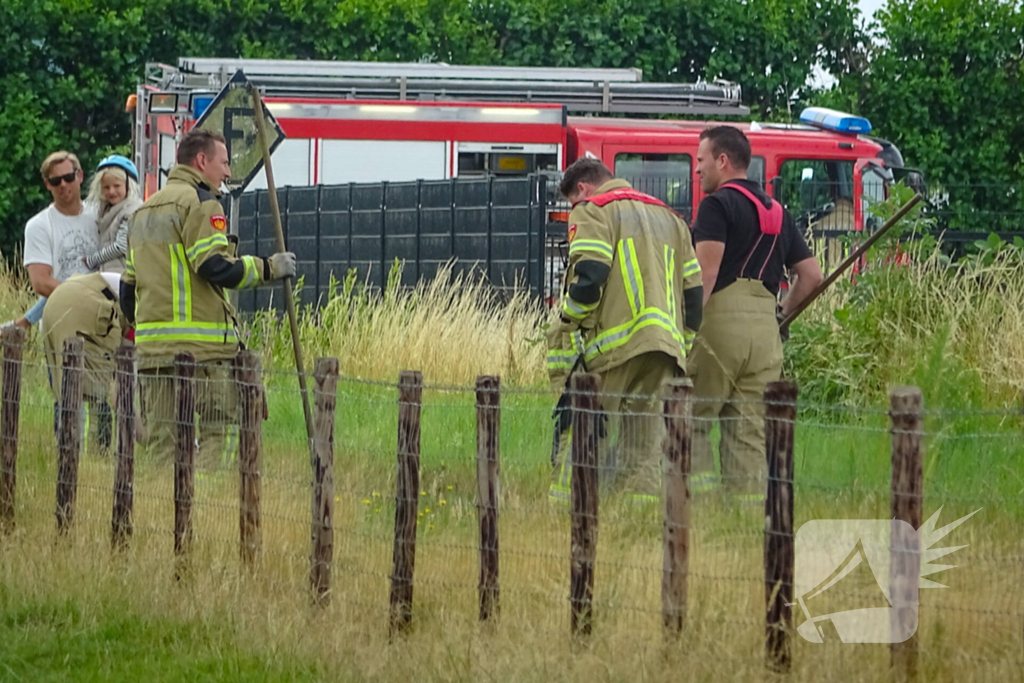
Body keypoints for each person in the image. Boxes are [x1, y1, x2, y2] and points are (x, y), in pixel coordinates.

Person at [121, 129, 296, 468]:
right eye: (224, 162)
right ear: (202, 161)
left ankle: (161, 515)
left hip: (154, 354)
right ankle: (205, 511)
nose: (228, 172)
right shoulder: (202, 203)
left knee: (162, 445)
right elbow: (213, 266)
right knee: (219, 435)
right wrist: (269, 268)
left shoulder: (141, 214)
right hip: (204, 352)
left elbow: (128, 290)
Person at [547, 158, 703, 504]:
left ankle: (568, 508)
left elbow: (590, 276)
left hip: (614, 344)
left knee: (587, 428)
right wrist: (684, 344)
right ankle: (637, 516)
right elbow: (694, 295)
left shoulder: (593, 209)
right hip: (666, 347)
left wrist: (567, 321)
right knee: (644, 443)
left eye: (573, 201)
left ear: (583, 189)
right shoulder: (672, 218)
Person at [689, 126, 823, 501]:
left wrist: (686, 327)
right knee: (748, 430)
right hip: (765, 331)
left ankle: (698, 508)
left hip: (719, 325)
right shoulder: (778, 212)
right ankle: (745, 514)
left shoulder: (715, 206)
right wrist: (780, 314)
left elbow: (707, 273)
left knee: (691, 419)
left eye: (700, 161)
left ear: (723, 160)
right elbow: (811, 276)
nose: (697, 170)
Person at [6, 152, 99, 330]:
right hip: (60, 323)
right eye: (56, 181)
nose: (63, 185)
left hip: (102, 322)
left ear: (80, 176)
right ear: (48, 184)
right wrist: (89, 298)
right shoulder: (39, 225)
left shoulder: (101, 216)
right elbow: (41, 282)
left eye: (68, 177)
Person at [42, 272, 129, 453]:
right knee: (99, 392)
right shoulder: (142, 308)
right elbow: (120, 393)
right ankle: (98, 455)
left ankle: (67, 455)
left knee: (65, 387)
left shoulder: (132, 283)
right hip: (90, 306)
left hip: (55, 302)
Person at [82, 155, 144, 274]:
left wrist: (92, 260)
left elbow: (121, 246)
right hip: (109, 272)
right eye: (106, 187)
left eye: (117, 186)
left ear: (128, 185)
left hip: (122, 275)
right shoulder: (106, 209)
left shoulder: (131, 212)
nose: (111, 191)